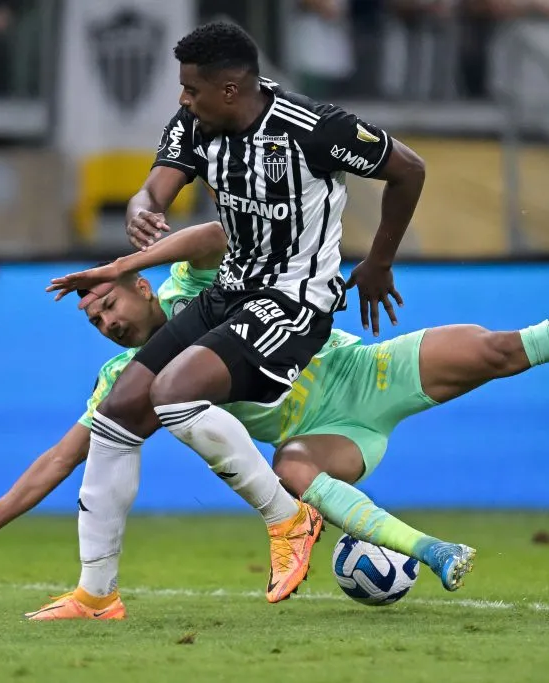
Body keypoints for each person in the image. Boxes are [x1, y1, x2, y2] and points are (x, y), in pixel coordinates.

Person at [0, 221, 549, 621]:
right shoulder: (131, 380)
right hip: (329, 433)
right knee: (298, 470)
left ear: (142, 287)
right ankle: (428, 550)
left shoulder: (196, 283)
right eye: (94, 321)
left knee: (502, 347)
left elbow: (228, 231)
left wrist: (130, 257)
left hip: (369, 371)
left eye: (108, 303)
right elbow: (59, 458)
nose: (107, 321)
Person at [48, 19, 427, 612]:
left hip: (294, 301)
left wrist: (378, 263)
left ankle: (288, 520)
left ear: (230, 89)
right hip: (230, 292)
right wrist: (142, 209)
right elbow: (153, 190)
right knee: (121, 410)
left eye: (191, 88)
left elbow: (408, 168)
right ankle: (96, 595)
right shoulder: (196, 126)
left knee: (174, 394)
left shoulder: (317, 130)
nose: (182, 99)